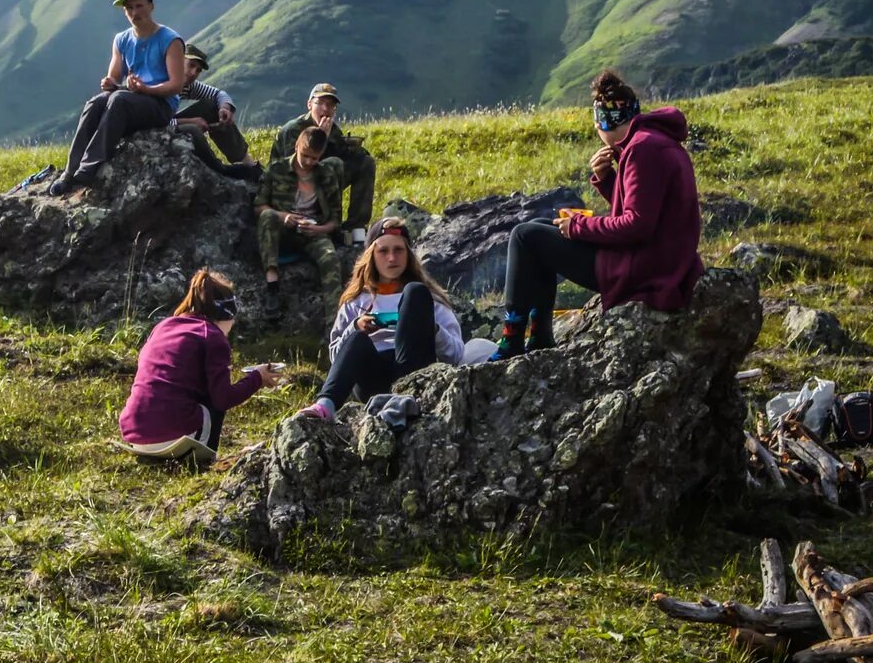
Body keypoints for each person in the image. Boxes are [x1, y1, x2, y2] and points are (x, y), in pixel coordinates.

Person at [494, 69, 704, 357]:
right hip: (661, 258)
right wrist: (607, 179)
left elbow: (637, 225)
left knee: (525, 236)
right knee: (541, 226)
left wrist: (578, 226)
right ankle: (539, 335)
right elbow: (648, 209)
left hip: (645, 268)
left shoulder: (642, 150)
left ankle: (513, 340)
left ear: (601, 123)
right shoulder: (654, 140)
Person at [298, 219, 466, 419]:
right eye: (383, 251)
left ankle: (407, 396)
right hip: (373, 378)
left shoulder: (428, 298)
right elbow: (337, 358)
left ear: (409, 254)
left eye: (399, 250)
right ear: (371, 255)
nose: (392, 258)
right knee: (356, 337)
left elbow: (456, 354)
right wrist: (356, 327)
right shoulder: (355, 301)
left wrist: (431, 329)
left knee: (415, 291)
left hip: (414, 372)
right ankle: (324, 406)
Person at [117, 270, 281, 466]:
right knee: (214, 402)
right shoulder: (213, 337)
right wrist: (257, 379)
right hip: (173, 438)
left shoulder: (163, 326)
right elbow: (224, 399)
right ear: (228, 314)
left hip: (135, 435)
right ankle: (206, 458)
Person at [45, 0, 191, 195]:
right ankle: (70, 172)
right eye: (128, 8)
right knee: (97, 102)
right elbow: (114, 76)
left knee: (119, 100)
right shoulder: (122, 39)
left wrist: (146, 89)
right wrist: (109, 83)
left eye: (139, 6)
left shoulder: (170, 40)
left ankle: (88, 170)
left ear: (151, 6)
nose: (134, 12)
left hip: (160, 106)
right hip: (134, 99)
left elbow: (176, 85)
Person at [269, 83, 378, 246]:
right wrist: (321, 138)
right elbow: (295, 168)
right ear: (309, 104)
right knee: (334, 164)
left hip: (320, 181)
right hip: (289, 189)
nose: (325, 109)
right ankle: (331, 226)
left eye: (331, 105)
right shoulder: (293, 130)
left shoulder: (333, 129)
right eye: (320, 103)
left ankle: (355, 228)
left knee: (365, 163)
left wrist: (356, 151)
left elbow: (342, 155)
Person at [256, 126, 349, 284]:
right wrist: (283, 216)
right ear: (296, 146)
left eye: (314, 158)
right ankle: (271, 278)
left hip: (313, 233)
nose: (308, 162)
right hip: (282, 232)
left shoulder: (327, 174)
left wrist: (318, 229)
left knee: (331, 260)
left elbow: (335, 220)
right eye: (304, 155)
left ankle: (335, 307)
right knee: (267, 215)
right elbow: (259, 207)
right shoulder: (276, 169)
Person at [169, 43, 257, 180]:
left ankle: (249, 165)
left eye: (198, 70)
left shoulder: (187, 85)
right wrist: (188, 121)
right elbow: (152, 119)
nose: (193, 73)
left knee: (213, 106)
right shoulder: (161, 80)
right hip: (152, 128)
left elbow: (218, 94)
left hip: (168, 121)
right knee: (193, 130)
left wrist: (224, 108)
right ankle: (219, 171)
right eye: (191, 65)